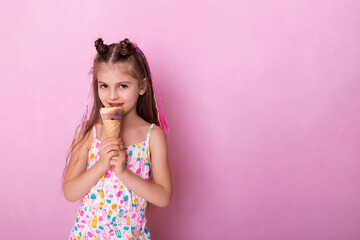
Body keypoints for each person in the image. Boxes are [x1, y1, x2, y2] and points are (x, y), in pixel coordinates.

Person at [62, 37, 173, 240]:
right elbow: (70, 191)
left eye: (122, 86)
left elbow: (164, 196)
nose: (112, 96)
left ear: (142, 86)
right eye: (104, 86)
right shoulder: (90, 132)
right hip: (87, 235)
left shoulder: (152, 136)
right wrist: (102, 164)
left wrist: (123, 172)